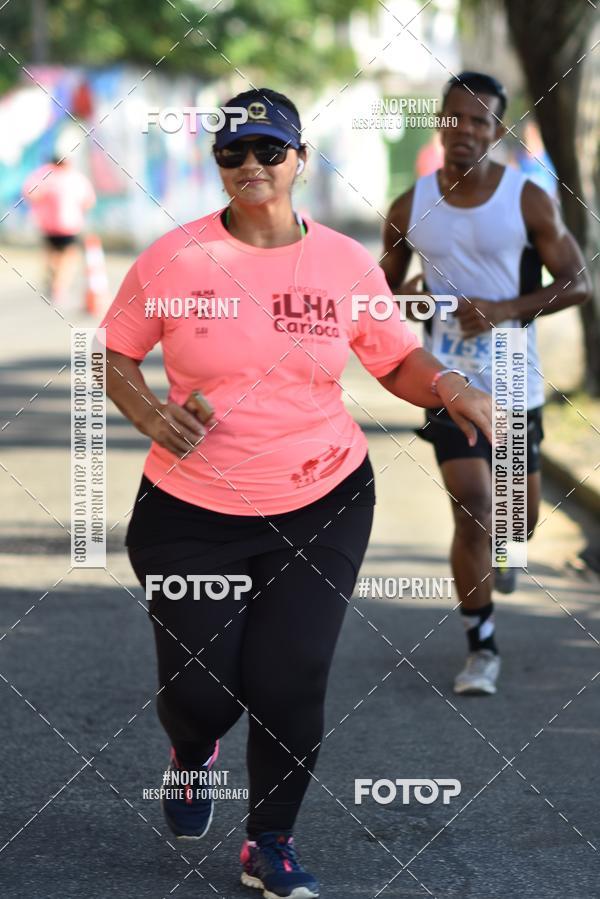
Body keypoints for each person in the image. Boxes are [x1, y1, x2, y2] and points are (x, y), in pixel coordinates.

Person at [101, 88, 491, 899]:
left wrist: (450, 385)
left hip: (322, 502)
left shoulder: (344, 264)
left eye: (269, 150)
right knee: (202, 693)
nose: (251, 165)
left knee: (291, 678)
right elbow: (116, 355)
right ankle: (191, 752)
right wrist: (149, 412)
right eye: (233, 152)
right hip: (188, 513)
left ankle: (268, 841)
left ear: (300, 160)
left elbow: (393, 360)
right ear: (218, 165)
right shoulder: (174, 257)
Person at [382, 72, 591, 697]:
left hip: (514, 382)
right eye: (455, 118)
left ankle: (509, 550)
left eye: (480, 121)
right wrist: (410, 303)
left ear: (497, 130)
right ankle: (482, 647)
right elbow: (379, 293)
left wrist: (505, 308)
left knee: (515, 520)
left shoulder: (528, 199)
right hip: (448, 382)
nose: (466, 130)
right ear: (439, 122)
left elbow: (577, 284)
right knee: (473, 507)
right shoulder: (410, 205)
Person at [23, 155, 96, 306]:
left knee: (52, 253)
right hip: (70, 225)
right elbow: (89, 201)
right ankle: (59, 286)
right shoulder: (76, 178)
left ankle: (53, 275)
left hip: (47, 225)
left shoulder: (43, 176)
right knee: (68, 257)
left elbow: (30, 194)